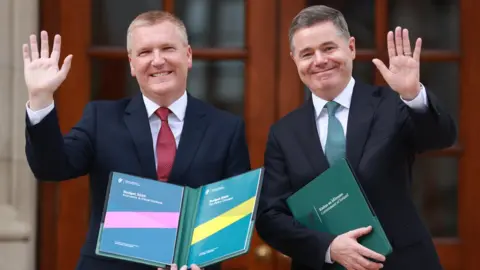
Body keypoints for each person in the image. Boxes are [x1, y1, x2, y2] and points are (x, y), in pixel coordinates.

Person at [23, 11, 250, 270]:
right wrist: (40, 98)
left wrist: (204, 260)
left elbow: (232, 214)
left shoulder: (226, 128)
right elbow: (50, 167)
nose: (157, 60)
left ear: (188, 56)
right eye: (144, 52)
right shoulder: (101, 118)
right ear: (131, 64)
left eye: (167, 48)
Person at [255, 5, 456, 270]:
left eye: (328, 48)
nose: (319, 60)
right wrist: (328, 247)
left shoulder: (391, 105)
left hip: (401, 262)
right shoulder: (284, 133)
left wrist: (412, 94)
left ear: (351, 47)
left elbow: (439, 138)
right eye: (307, 53)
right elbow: (270, 217)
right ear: (294, 60)